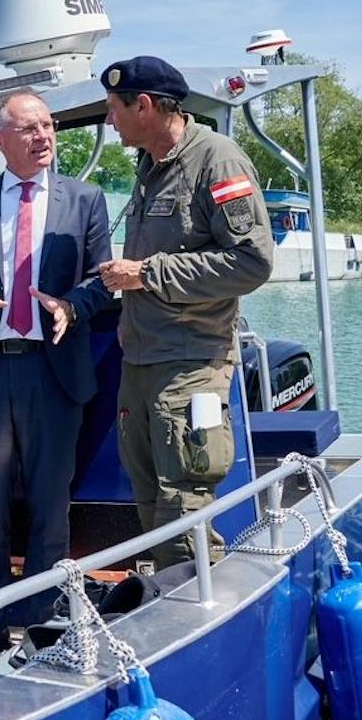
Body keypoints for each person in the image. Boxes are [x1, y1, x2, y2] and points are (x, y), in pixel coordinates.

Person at [0, 89, 113, 670]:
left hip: (52, 372)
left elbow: (100, 279)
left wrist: (71, 307)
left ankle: (44, 631)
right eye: (29, 128)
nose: (43, 137)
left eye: (48, 126)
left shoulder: (85, 200)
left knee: (48, 511)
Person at [100, 56, 273, 567]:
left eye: (115, 109)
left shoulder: (217, 162)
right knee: (151, 498)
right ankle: (168, 599)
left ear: (146, 107)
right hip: (142, 360)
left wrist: (147, 273)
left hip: (191, 361)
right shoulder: (149, 166)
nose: (111, 121)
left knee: (184, 499)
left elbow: (252, 261)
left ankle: (197, 608)